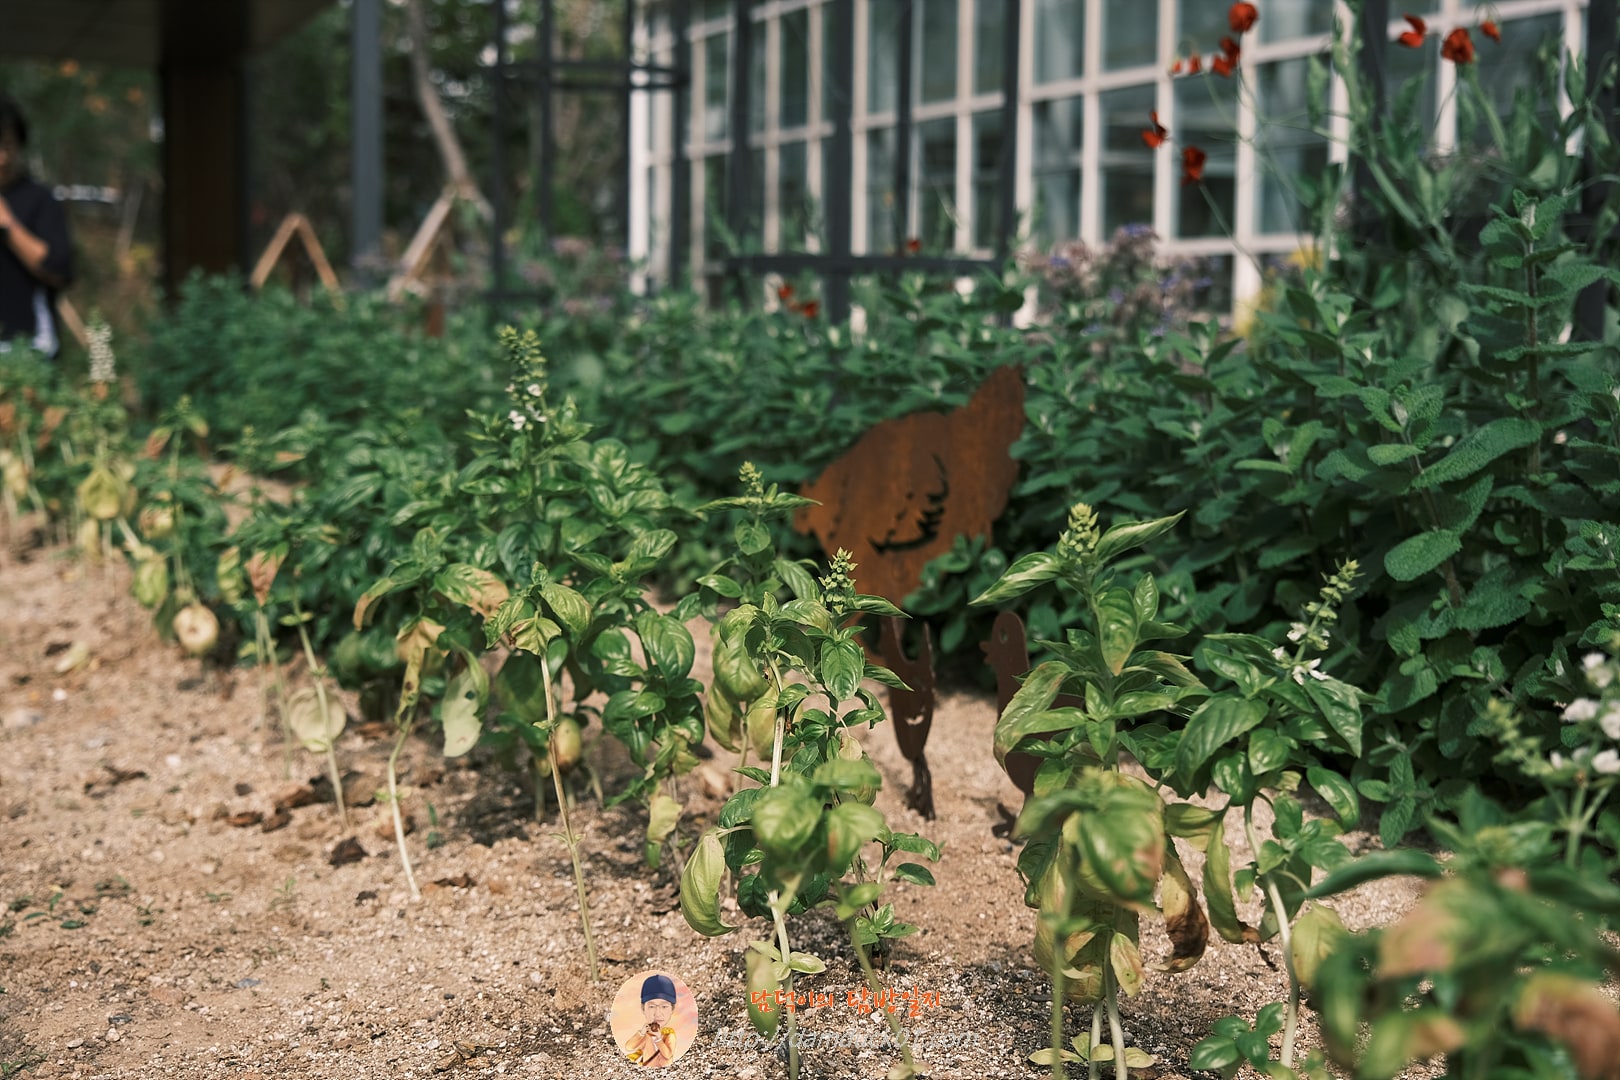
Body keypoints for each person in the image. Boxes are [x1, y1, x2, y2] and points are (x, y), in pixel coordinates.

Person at [0, 96, 73, 358]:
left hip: (29, 347)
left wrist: (7, 223)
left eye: (8, 146)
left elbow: (58, 269)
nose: (3, 158)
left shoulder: (40, 200)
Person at [623, 973, 679, 1067]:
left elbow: (668, 1055)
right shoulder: (647, 1034)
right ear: (643, 1008)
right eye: (652, 1006)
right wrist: (641, 1033)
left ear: (672, 1009)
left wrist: (659, 1039)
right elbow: (629, 1047)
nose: (657, 1013)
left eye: (664, 1006)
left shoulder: (669, 1035)